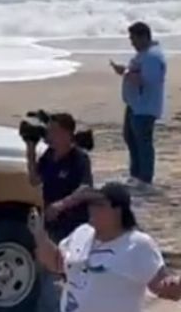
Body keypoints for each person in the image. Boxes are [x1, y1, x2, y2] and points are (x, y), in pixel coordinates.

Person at [31, 182, 181, 312]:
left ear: (118, 211)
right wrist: (39, 234)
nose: (92, 209)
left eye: (100, 205)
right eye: (91, 204)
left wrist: (175, 284)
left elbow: (166, 289)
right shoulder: (82, 233)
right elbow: (57, 263)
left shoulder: (138, 245)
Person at [25, 112, 94, 312]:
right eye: (49, 131)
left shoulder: (79, 158)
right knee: (47, 272)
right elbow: (34, 179)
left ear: (66, 134)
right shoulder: (48, 155)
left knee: (68, 275)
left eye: (54, 131)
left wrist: (62, 204)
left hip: (74, 226)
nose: (49, 135)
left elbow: (85, 189)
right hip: (51, 226)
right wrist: (30, 149)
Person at [110, 21, 166, 188]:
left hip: (145, 107)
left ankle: (145, 179)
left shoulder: (152, 57)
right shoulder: (144, 54)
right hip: (135, 105)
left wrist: (125, 72)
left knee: (143, 142)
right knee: (131, 138)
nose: (132, 43)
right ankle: (136, 175)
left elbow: (147, 81)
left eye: (133, 39)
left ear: (144, 37)